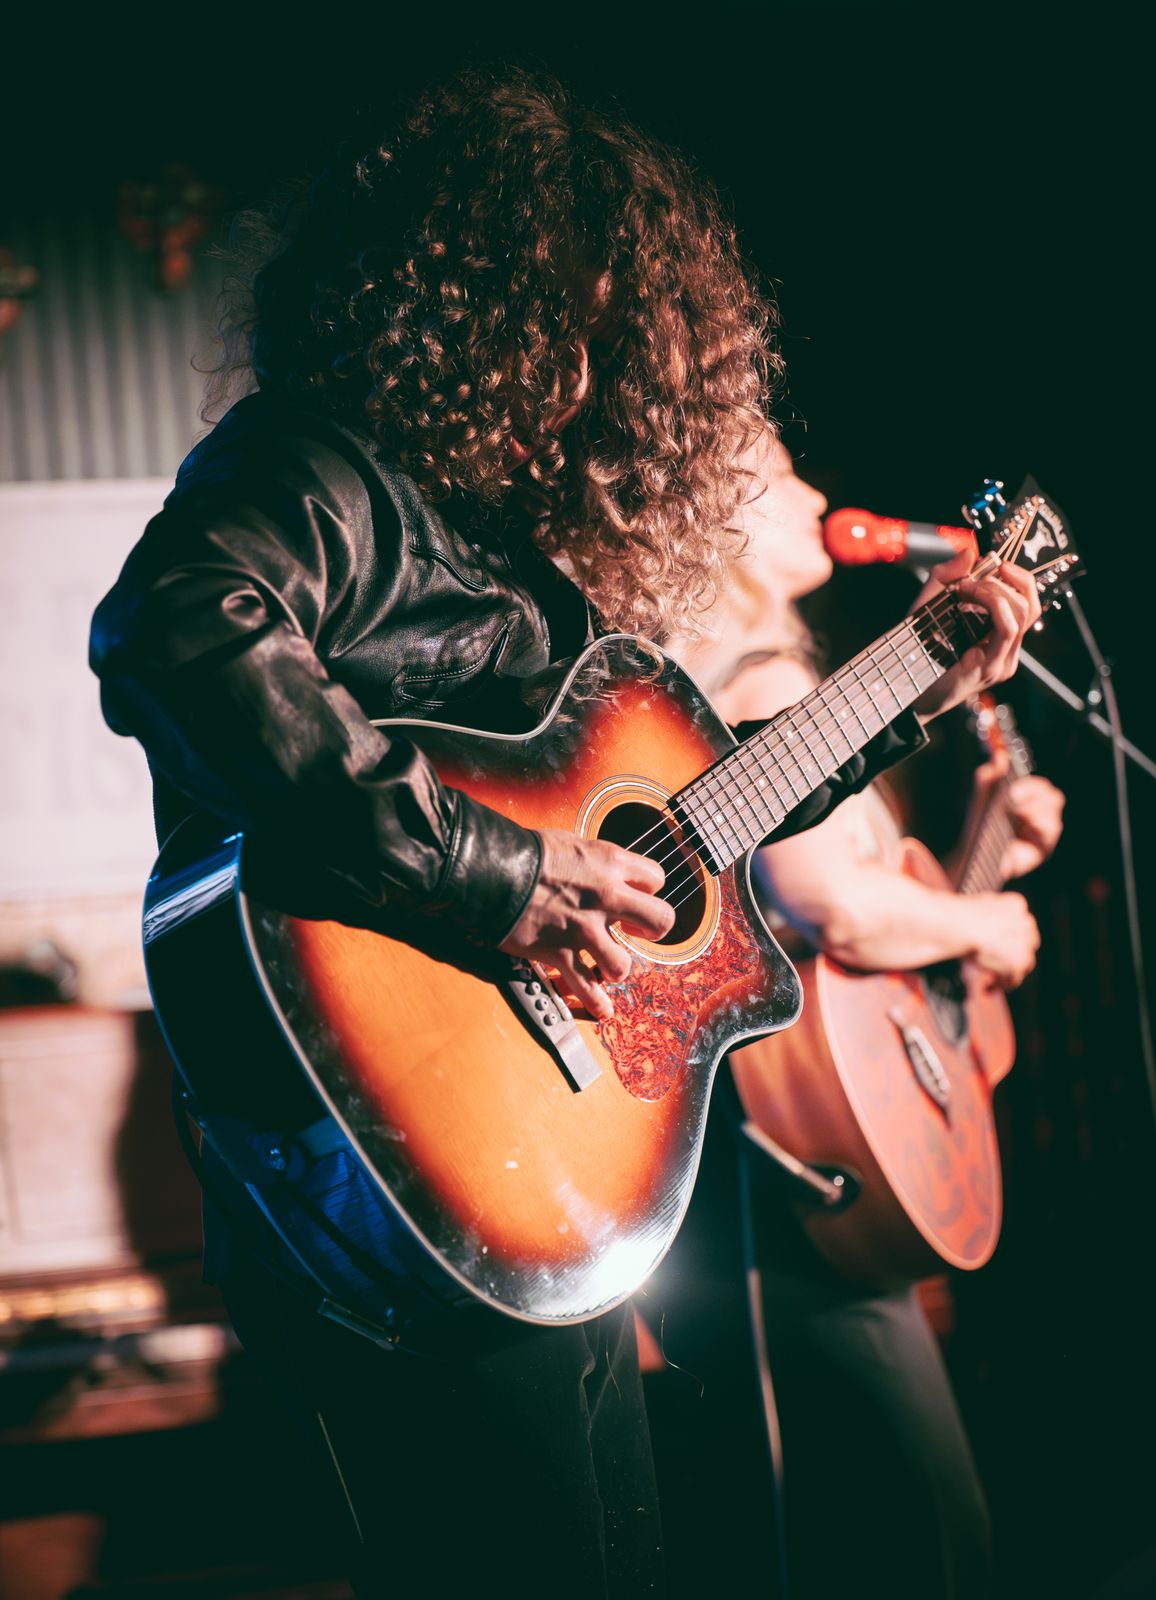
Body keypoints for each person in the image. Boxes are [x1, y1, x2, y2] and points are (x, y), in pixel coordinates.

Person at [89, 68, 1043, 1598]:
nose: (620, 375)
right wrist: (499, 877)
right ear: (482, 305)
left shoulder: (514, 551)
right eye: (595, 326)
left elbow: (712, 800)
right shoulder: (320, 463)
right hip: (394, 1175)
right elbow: (179, 628)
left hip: (556, 1163)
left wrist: (922, 681)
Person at [647, 424, 1064, 1598]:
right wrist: (983, 924)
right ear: (721, 521)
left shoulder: (765, 681)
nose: (813, 490)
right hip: (796, 1180)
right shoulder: (763, 683)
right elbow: (831, 906)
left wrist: (984, 846)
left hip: (801, 1168)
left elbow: (865, 948)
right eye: (780, 471)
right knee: (922, 1535)